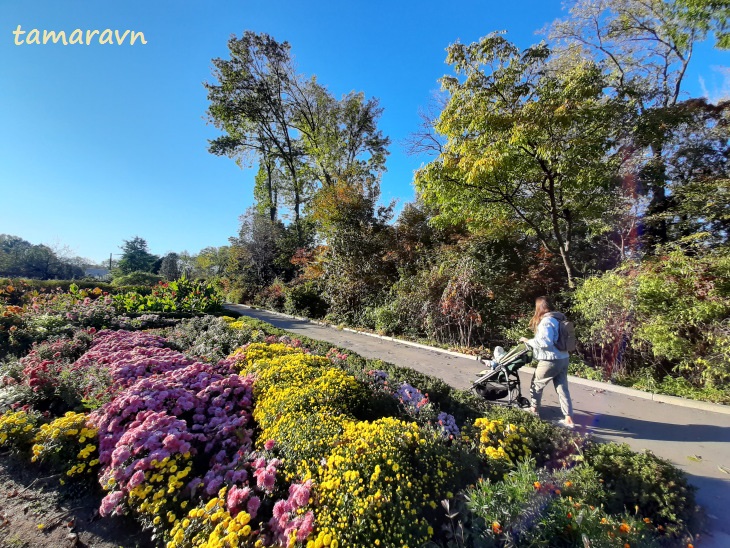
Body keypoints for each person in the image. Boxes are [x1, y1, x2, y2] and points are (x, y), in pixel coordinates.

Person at [519, 296, 575, 428]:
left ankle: (534, 410)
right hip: (564, 358)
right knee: (562, 388)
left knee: (536, 384)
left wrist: (528, 341)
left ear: (540, 308)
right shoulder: (559, 318)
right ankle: (568, 418)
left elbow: (545, 342)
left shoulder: (547, 321)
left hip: (550, 359)